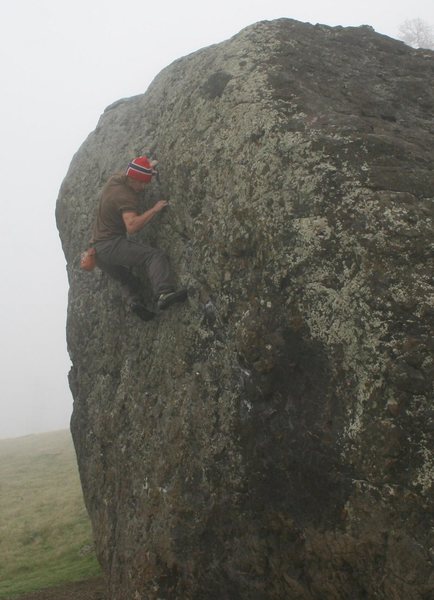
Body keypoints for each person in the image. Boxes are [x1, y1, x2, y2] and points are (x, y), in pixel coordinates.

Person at [91, 156, 187, 320]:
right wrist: (154, 210)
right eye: (142, 183)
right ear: (133, 179)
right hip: (110, 245)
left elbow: (136, 170)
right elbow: (132, 226)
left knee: (126, 278)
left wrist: (148, 168)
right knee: (153, 256)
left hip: (96, 251)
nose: (143, 187)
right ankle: (164, 293)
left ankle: (134, 302)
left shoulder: (117, 179)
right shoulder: (126, 197)